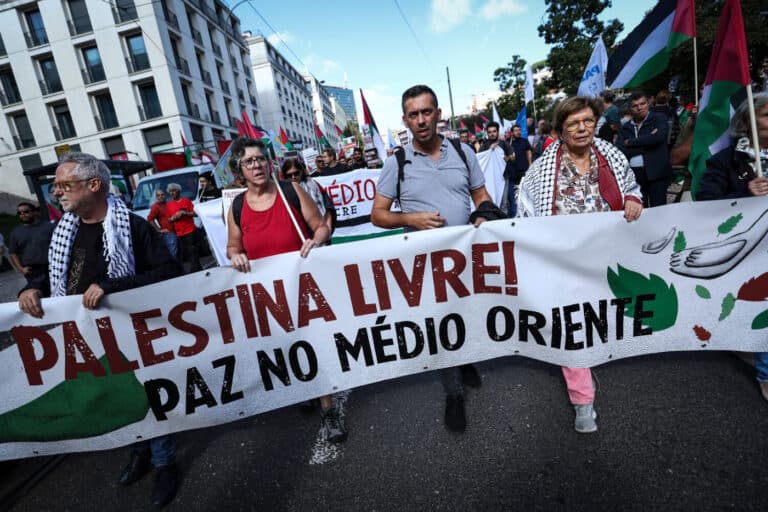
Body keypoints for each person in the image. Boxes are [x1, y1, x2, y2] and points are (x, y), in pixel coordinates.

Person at [17, 152, 182, 508]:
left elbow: (169, 272)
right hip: (92, 337)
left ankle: (165, 463)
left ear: (93, 185)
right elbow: (57, 274)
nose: (56, 194)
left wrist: (113, 286)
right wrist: (31, 289)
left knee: (151, 397)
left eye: (64, 186)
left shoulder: (133, 227)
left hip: (137, 333)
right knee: (118, 398)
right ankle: (140, 452)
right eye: (55, 187)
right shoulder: (65, 230)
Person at [517, 96, 643, 433]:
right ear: (559, 130)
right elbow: (526, 213)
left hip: (607, 256)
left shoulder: (611, 155)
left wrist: (633, 200)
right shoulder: (543, 169)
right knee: (571, 328)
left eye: (587, 120)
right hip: (564, 262)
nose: (582, 128)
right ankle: (582, 400)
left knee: (605, 320)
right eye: (573, 123)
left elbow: (632, 186)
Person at [371, 84, 493, 433]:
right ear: (405, 121)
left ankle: (465, 361)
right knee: (441, 326)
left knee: (467, 315)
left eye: (427, 112)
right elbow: (378, 215)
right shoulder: (397, 162)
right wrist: (411, 218)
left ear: (438, 114)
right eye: (414, 115)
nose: (421, 120)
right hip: (424, 265)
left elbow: (480, 194)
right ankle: (453, 393)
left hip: (466, 257)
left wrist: (482, 214)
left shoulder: (462, 150)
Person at [224, 138, 342, 441]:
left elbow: (321, 227)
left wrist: (315, 241)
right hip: (269, 294)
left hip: (304, 285)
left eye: (261, 158)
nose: (258, 165)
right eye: (249, 161)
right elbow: (233, 245)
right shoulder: (237, 206)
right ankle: (305, 389)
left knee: (315, 344)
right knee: (287, 346)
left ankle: (329, 411)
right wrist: (235, 254)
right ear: (239, 171)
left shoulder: (291, 191)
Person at [697, 92, 768, 401]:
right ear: (747, 122)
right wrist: (743, 193)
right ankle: (765, 372)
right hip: (751, 252)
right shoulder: (726, 161)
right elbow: (706, 201)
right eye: (767, 115)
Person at [616, 90, 672, 207]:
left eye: (642, 104)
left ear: (648, 104)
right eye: (635, 106)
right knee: (640, 211)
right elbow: (620, 150)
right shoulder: (626, 127)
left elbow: (659, 137)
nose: (639, 108)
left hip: (656, 173)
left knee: (660, 210)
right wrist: (649, 141)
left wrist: (631, 142)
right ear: (630, 109)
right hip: (634, 175)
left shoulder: (658, 118)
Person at [280, 157, 335, 235]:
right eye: (289, 175)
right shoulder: (282, 191)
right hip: (297, 233)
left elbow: (328, 207)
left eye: (296, 173)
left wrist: (327, 229)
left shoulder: (313, 184)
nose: (293, 177)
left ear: (301, 172)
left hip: (320, 230)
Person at [9, 202, 55, 283]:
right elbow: (13, 253)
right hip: (31, 271)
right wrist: (21, 269)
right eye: (19, 213)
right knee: (38, 294)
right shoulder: (16, 232)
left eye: (26, 211)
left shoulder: (49, 227)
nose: (23, 214)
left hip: (52, 266)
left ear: (34, 212)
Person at [166, 182, 202, 273]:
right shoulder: (169, 204)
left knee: (192, 251)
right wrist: (173, 218)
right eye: (170, 191)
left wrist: (185, 213)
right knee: (186, 253)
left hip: (190, 230)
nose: (172, 193)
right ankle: (197, 268)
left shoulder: (186, 201)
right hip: (179, 232)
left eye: (173, 191)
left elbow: (195, 213)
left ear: (178, 191)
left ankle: (195, 269)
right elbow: (168, 219)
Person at [146, 189, 178, 258]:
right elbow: (150, 219)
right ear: (156, 197)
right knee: (173, 255)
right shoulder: (156, 207)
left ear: (165, 195)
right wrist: (158, 230)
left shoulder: (168, 204)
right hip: (169, 234)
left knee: (178, 254)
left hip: (177, 231)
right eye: (158, 195)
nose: (160, 197)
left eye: (162, 195)